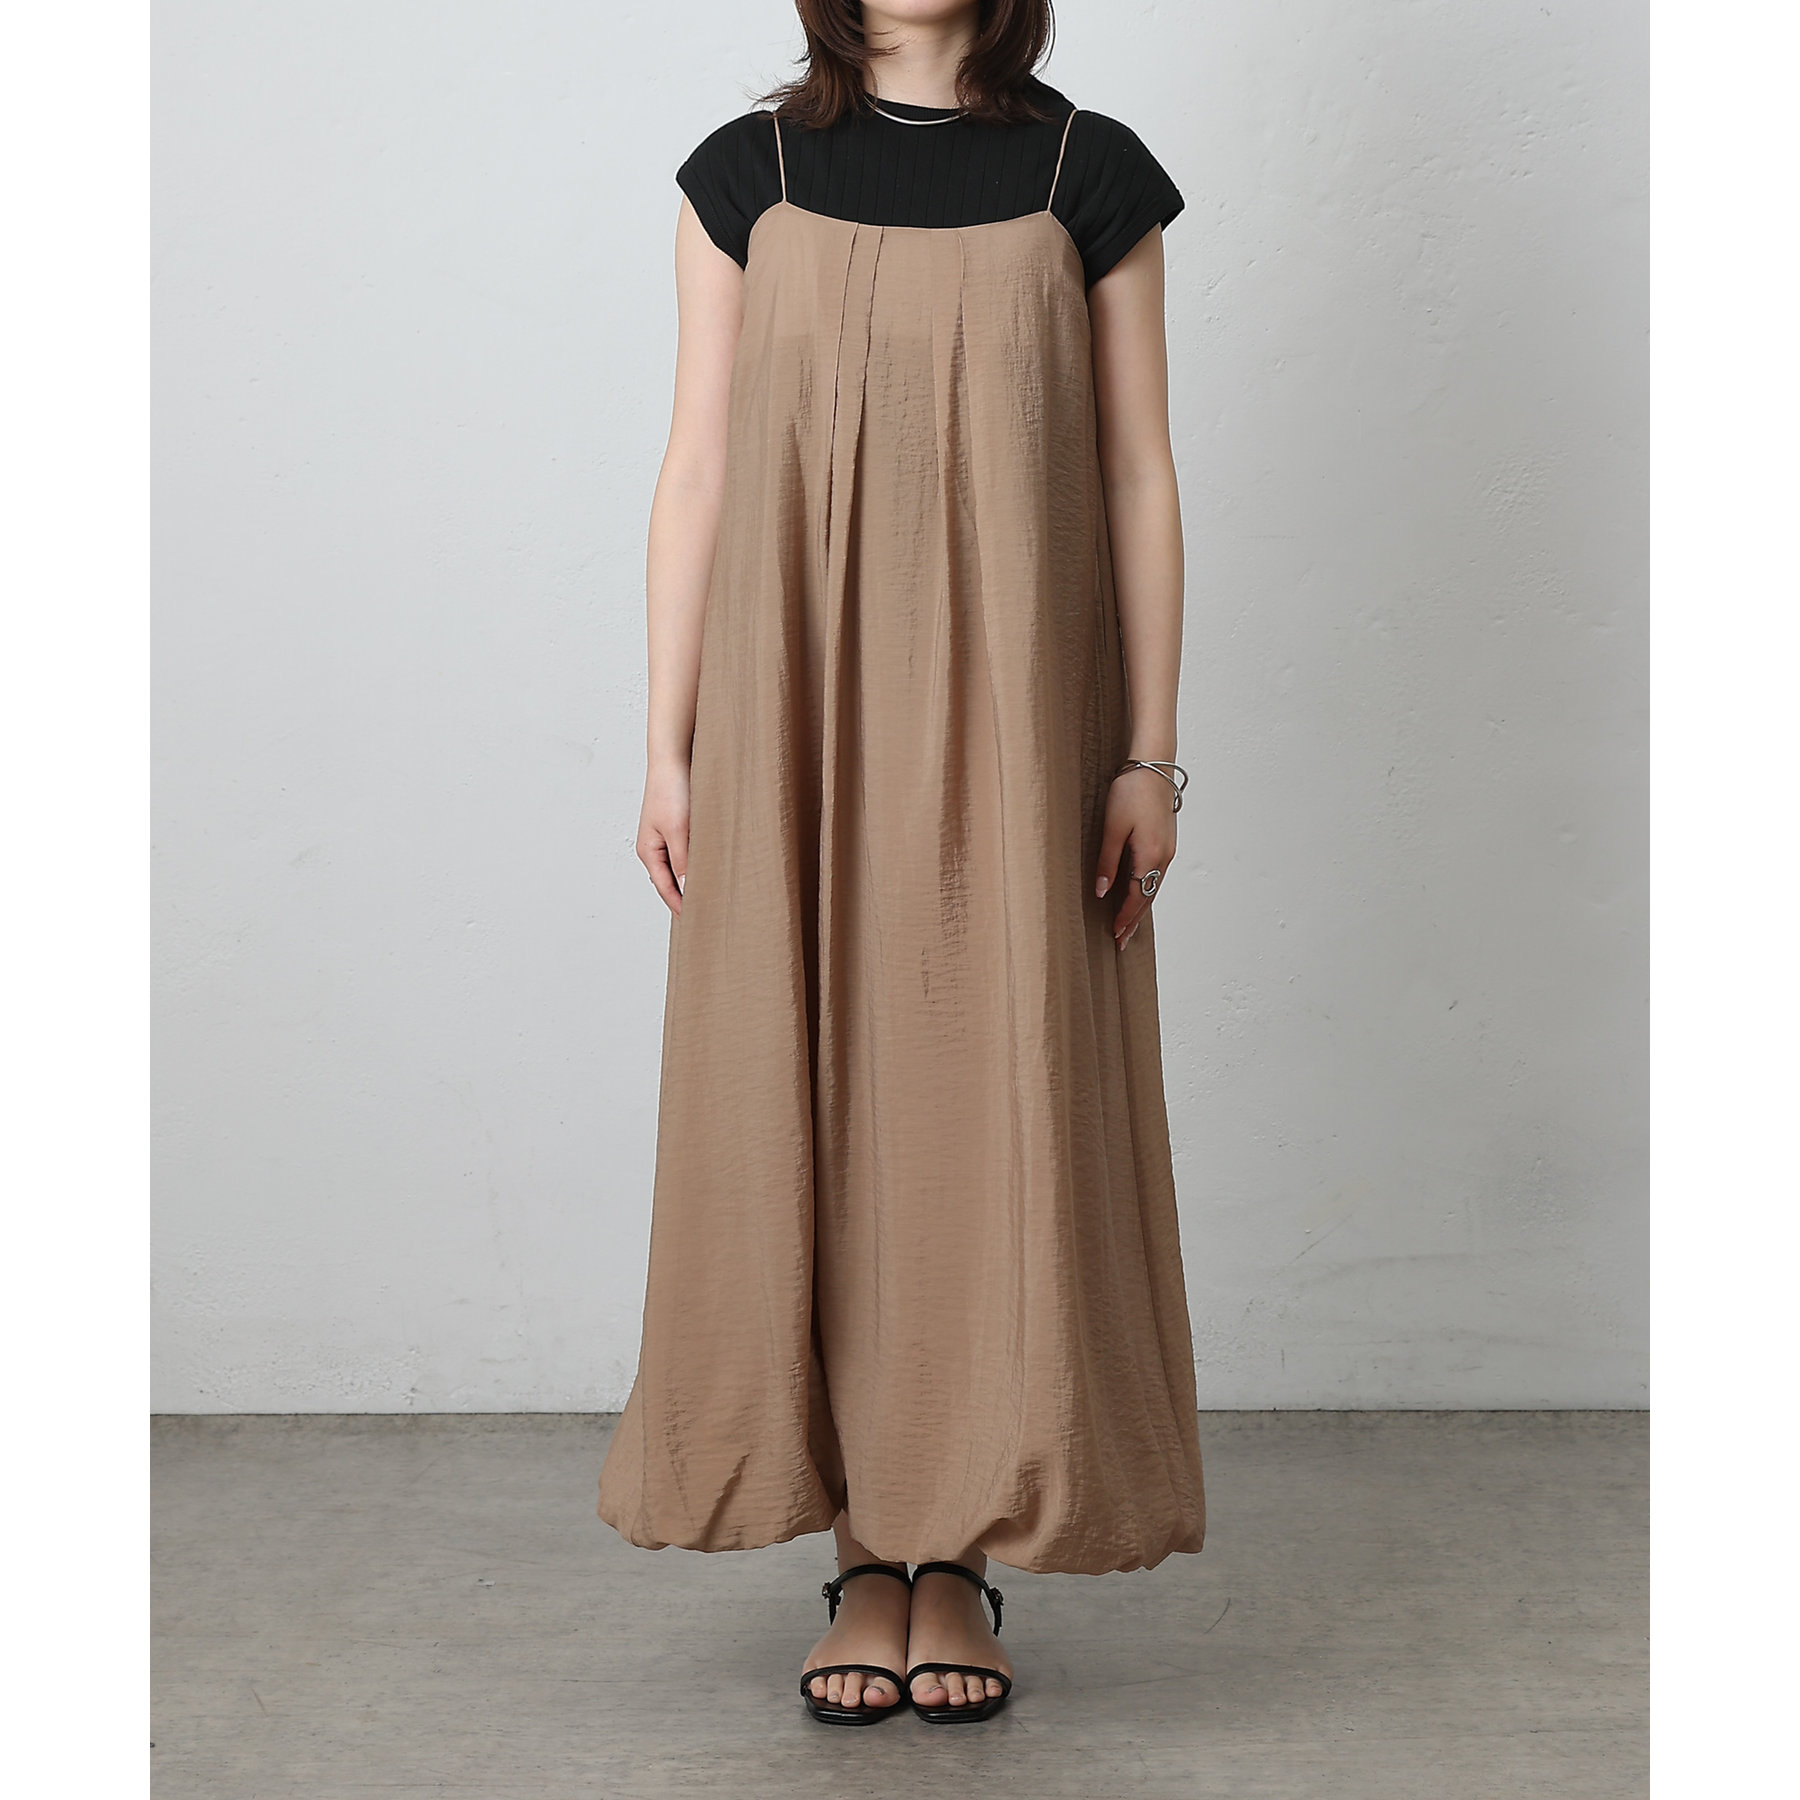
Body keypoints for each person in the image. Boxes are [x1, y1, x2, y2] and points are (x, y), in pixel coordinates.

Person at [597, 0, 1207, 1725]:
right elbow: (698, 469)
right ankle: (868, 1555)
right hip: (794, 713)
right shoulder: (749, 174)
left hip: (1022, 719)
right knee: (810, 1097)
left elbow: (1139, 475)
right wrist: (670, 744)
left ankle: (958, 1555)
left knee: (986, 1103)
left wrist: (1148, 754)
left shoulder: (1092, 174)